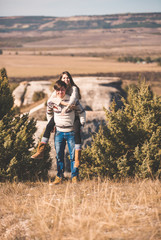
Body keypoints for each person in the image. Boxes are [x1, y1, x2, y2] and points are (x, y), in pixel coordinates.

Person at [31, 71, 83, 168]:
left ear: (70, 79)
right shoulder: (59, 88)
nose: (66, 80)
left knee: (77, 132)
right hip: (60, 113)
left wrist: (68, 107)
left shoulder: (73, 88)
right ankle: (40, 151)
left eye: (67, 78)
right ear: (60, 80)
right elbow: (51, 101)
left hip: (73, 113)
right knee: (49, 126)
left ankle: (77, 159)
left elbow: (73, 100)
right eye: (64, 78)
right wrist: (62, 105)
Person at [48, 80, 86, 184]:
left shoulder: (72, 101)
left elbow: (82, 112)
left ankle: (74, 177)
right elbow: (49, 112)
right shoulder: (52, 101)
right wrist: (51, 124)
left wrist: (81, 123)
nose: (60, 92)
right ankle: (59, 176)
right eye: (58, 90)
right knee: (59, 156)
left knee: (73, 156)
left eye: (62, 89)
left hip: (71, 132)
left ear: (65, 90)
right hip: (59, 133)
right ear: (55, 91)